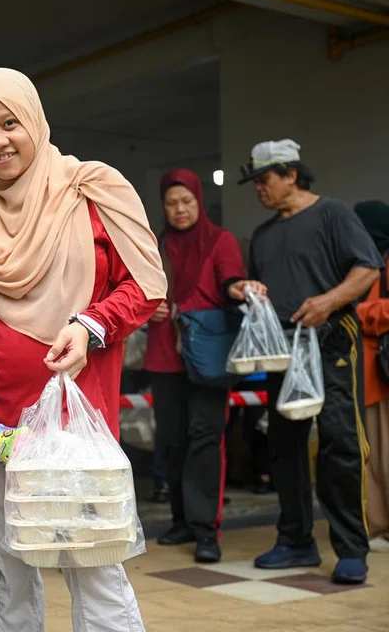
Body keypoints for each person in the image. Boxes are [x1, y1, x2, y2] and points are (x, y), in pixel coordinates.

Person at [0, 68, 166, 632]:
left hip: (76, 424)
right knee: (7, 572)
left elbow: (146, 285)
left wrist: (91, 324)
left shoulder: (93, 191)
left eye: (9, 124)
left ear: (34, 121)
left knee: (94, 567)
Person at [229, 139, 381, 584]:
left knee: (340, 441)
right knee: (284, 445)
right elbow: (262, 281)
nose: (259, 188)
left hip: (331, 340)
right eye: (255, 182)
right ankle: (296, 541)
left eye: (265, 179)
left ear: (292, 174)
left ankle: (352, 548)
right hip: (283, 350)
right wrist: (246, 288)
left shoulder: (333, 214)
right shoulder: (264, 234)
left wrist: (328, 301)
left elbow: (366, 270)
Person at [144, 169, 245, 563]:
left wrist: (241, 288)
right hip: (165, 354)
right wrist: (148, 309)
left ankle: (206, 530)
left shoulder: (220, 241)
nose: (180, 209)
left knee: (205, 439)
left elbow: (231, 282)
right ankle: (181, 520)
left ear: (199, 201)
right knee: (173, 438)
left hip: (207, 353)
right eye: (171, 203)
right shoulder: (157, 244)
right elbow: (139, 292)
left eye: (187, 201)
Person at [353, 200, 389, 550]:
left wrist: (361, 311)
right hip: (365, 374)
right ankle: (374, 522)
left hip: (382, 373)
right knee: (373, 454)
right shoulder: (359, 261)